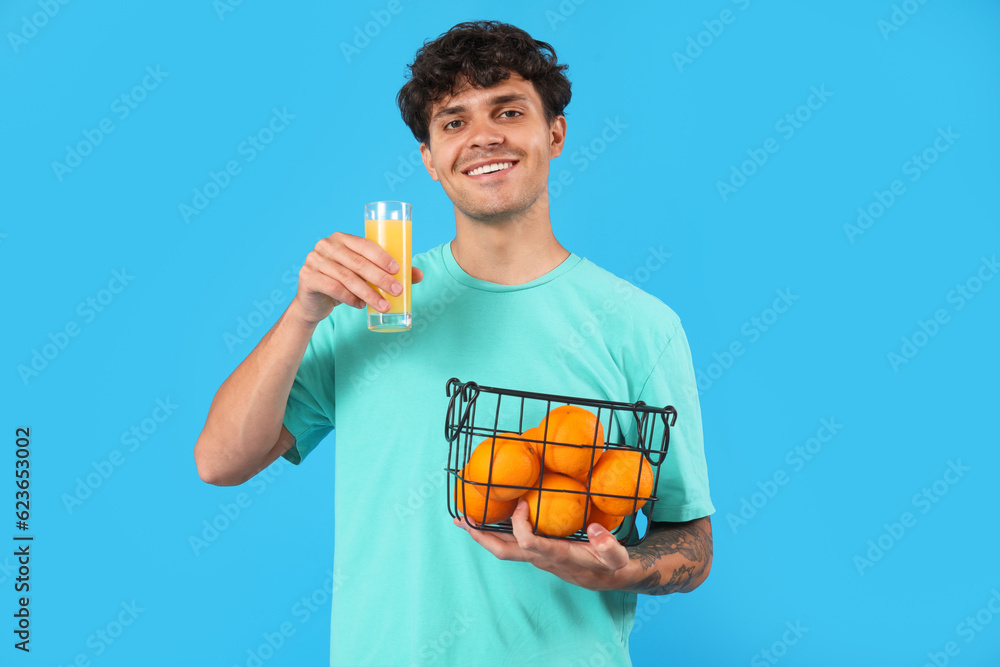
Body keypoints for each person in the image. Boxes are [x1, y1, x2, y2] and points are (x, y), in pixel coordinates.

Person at [195, 20, 714, 667]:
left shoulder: (639, 324)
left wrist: (622, 568)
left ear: (555, 133)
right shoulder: (375, 303)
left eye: (508, 110)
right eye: (453, 121)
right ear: (429, 159)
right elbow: (220, 461)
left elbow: (689, 539)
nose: (483, 136)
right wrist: (302, 313)